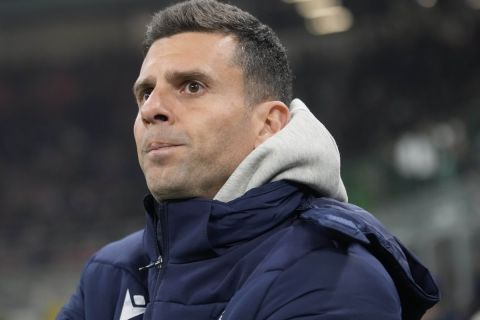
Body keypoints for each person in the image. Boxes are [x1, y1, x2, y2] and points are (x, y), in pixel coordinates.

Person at [57, 0, 440, 319]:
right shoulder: (111, 274)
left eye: (192, 86)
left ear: (269, 124)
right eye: (145, 93)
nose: (151, 109)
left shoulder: (333, 274)